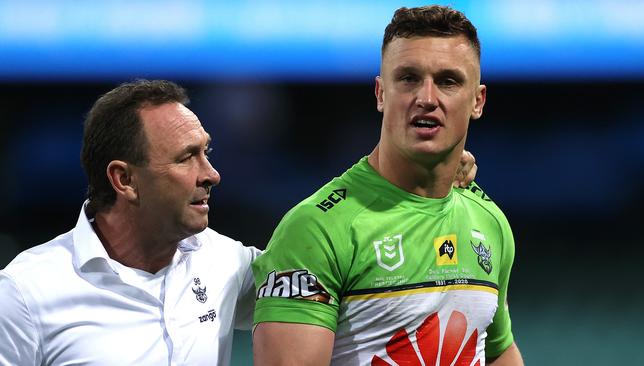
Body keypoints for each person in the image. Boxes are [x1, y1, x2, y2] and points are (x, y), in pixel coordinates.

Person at [252, 5, 524, 366]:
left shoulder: (489, 221)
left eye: (448, 81)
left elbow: (498, 349)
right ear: (381, 93)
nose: (427, 98)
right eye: (409, 78)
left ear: (477, 101)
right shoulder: (316, 230)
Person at [0, 80, 259, 365]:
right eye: (186, 157)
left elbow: (308, 284)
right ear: (124, 180)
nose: (211, 175)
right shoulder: (24, 293)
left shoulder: (228, 262)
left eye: (205, 153)